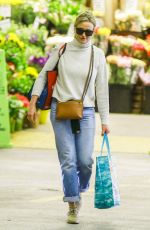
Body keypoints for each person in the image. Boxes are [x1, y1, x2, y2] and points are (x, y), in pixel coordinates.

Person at [27, 10, 110, 224]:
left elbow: (101, 90)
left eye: (88, 32)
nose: (83, 36)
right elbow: (43, 75)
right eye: (80, 31)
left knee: (85, 161)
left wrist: (106, 121)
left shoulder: (97, 55)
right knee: (68, 161)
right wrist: (33, 102)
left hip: (87, 111)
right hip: (60, 108)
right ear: (74, 29)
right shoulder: (62, 49)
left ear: (94, 32)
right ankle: (72, 203)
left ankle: (79, 188)